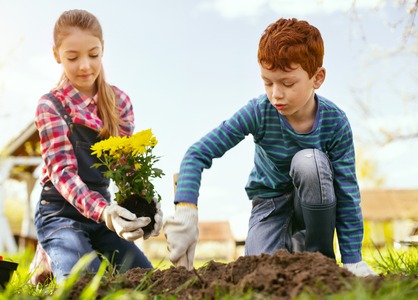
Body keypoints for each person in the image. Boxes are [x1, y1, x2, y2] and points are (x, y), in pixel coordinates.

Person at [163, 18, 377, 277]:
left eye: (287, 84)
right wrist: (187, 209)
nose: (276, 94)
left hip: (314, 200)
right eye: (268, 82)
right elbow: (198, 153)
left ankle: (320, 260)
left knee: (310, 162)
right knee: (259, 272)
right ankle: (293, 247)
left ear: (317, 78)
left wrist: (353, 259)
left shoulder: (335, 122)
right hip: (269, 206)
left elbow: (347, 191)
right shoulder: (259, 112)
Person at [31, 9, 162, 283]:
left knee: (144, 278)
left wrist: (149, 206)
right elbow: (62, 172)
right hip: (58, 212)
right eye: (72, 57)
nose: (85, 66)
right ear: (56, 55)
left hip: (102, 217)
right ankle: (53, 252)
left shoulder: (120, 103)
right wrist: (104, 211)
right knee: (83, 281)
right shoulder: (51, 106)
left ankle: (61, 256)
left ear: (103, 50)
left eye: (93, 54)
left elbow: (127, 167)